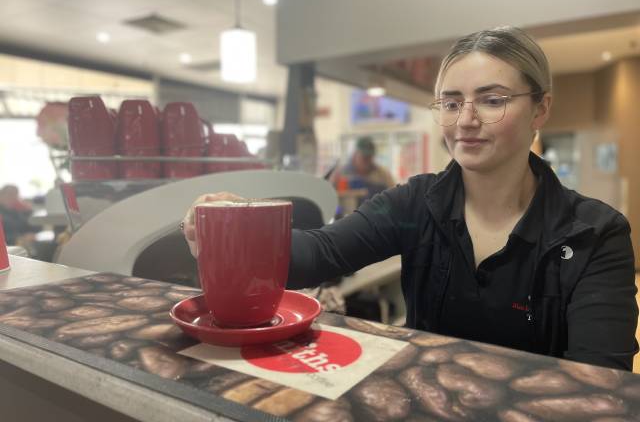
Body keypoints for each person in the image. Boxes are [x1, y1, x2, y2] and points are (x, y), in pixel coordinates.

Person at [182, 26, 638, 371]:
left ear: (541, 108)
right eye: (452, 102)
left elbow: (600, 384)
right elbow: (322, 252)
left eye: (492, 100)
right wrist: (236, 229)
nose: (466, 120)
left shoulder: (595, 235)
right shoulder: (417, 202)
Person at [329, 136, 395, 199]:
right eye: (364, 157)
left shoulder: (383, 175)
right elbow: (329, 196)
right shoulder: (340, 173)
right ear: (355, 154)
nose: (367, 161)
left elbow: (394, 196)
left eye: (370, 157)